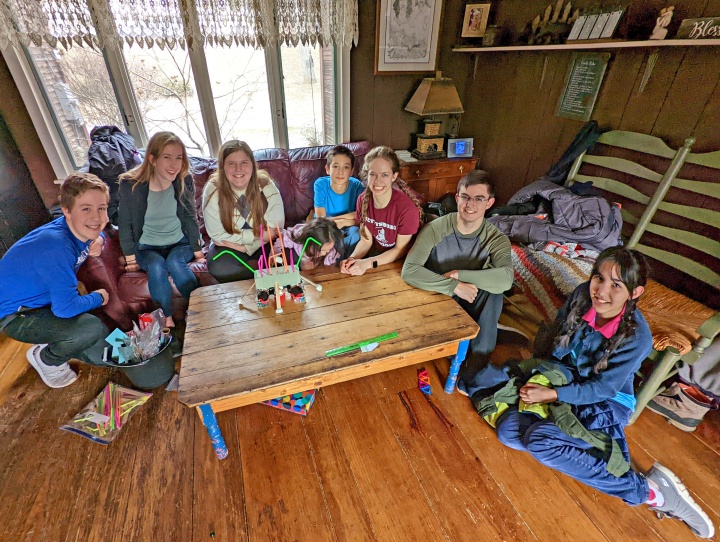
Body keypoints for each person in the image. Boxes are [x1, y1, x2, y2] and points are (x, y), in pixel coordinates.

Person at [465, 247, 714, 539]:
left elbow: (602, 388)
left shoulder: (637, 337)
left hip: (606, 401)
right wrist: (542, 375)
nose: (602, 291)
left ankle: (650, 492)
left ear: (634, 293)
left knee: (541, 442)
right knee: (508, 431)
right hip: (567, 379)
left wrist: (552, 395)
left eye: (616, 285)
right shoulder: (584, 295)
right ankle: (592, 448)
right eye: (599, 278)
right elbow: (556, 341)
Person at [0, 173, 111, 388]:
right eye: (86, 209)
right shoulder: (56, 246)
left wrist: (100, 238)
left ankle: (57, 340)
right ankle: (46, 359)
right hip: (16, 316)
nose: (96, 217)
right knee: (91, 329)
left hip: (42, 301)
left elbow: (98, 228)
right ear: (67, 211)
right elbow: (65, 309)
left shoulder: (75, 229)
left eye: (102, 208)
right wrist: (99, 297)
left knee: (101, 351)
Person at [402, 170, 514, 363]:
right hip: (438, 293)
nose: (470, 204)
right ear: (457, 198)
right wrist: (453, 286)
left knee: (494, 292)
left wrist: (458, 275)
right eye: (465, 197)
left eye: (479, 199)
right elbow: (410, 271)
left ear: (489, 203)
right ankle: (486, 332)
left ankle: (478, 360)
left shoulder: (496, 239)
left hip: (469, 295)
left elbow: (506, 279)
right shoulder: (436, 228)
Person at [118, 132, 205, 329]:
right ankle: (167, 319)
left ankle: (200, 310)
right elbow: (125, 223)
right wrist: (130, 258)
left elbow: (191, 217)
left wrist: (198, 251)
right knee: (157, 267)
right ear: (152, 159)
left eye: (179, 157)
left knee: (175, 263)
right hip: (147, 247)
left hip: (180, 243)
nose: (174, 164)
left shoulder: (184, 180)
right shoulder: (131, 185)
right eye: (167, 157)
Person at [202, 140, 285, 283]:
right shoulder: (213, 188)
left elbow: (275, 230)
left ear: (252, 165)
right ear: (222, 167)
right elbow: (217, 235)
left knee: (293, 256)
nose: (238, 169)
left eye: (244, 162)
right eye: (231, 163)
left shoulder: (265, 184)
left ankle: (269, 287)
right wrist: (258, 236)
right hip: (233, 246)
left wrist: (245, 247)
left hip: (260, 244)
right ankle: (264, 285)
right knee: (220, 267)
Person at [341, 146, 422, 276]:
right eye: (373, 174)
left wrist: (367, 264)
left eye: (385, 175)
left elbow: (399, 250)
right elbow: (366, 241)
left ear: (394, 176)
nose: (378, 181)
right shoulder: (363, 200)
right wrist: (352, 259)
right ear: (367, 175)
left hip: (403, 263)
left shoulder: (407, 210)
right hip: (378, 257)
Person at [313, 145, 364, 258]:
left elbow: (361, 217)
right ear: (327, 169)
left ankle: (348, 263)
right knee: (324, 239)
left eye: (346, 167)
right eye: (335, 166)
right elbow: (321, 219)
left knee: (356, 234)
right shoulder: (320, 184)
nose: (340, 172)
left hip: (350, 226)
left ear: (351, 171)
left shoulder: (357, 186)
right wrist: (340, 221)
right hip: (326, 226)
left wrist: (343, 222)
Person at [273, 217, 344, 271]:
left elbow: (329, 269)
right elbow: (281, 241)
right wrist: (275, 253)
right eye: (323, 250)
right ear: (311, 243)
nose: (327, 252)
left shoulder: (330, 253)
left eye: (329, 249)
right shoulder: (297, 236)